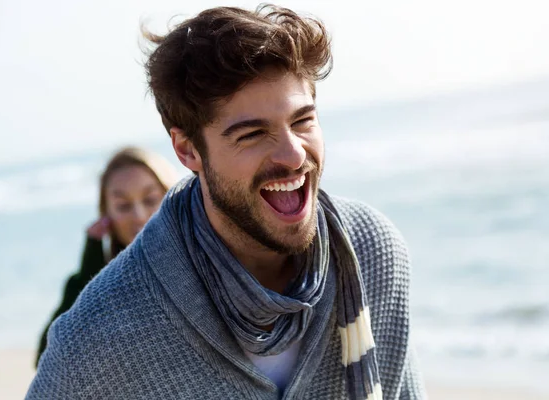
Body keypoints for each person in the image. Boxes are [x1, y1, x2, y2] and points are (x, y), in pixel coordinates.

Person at [28, 5, 426, 399]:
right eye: (252, 134)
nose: (292, 155)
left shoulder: (373, 252)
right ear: (188, 151)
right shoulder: (98, 338)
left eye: (302, 121)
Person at [34, 146, 178, 366]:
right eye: (123, 206)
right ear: (106, 214)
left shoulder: (203, 259)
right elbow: (47, 359)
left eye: (150, 200)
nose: (138, 216)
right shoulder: (103, 284)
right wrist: (90, 273)